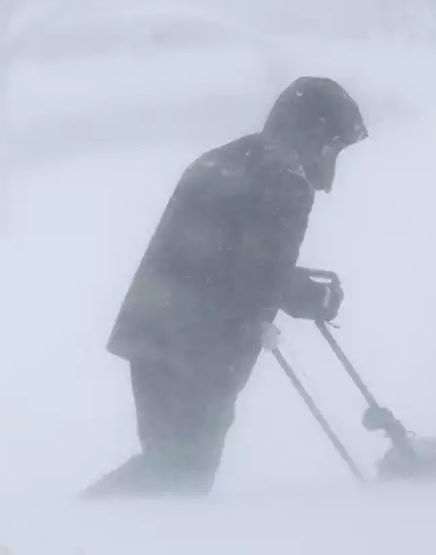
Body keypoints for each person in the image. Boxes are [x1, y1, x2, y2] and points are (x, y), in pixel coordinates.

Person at [81, 76, 369, 498]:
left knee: (171, 467)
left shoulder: (232, 158)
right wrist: (312, 297)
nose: (330, 160)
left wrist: (292, 285)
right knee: (180, 474)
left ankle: (82, 530)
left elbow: (230, 256)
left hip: (153, 331)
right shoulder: (284, 177)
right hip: (200, 346)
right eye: (332, 145)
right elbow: (258, 271)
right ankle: (69, 531)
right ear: (313, 133)